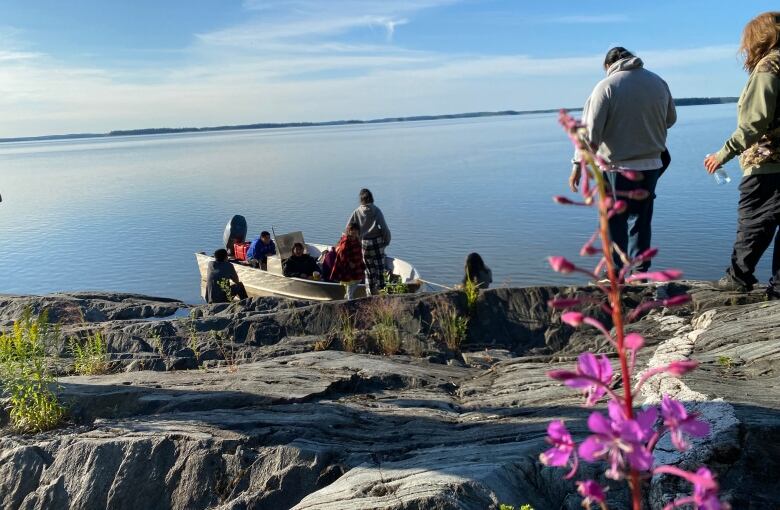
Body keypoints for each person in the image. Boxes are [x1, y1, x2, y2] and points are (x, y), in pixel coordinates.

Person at [570, 47, 677, 273]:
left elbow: (590, 135)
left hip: (615, 168)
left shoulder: (606, 87)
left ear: (608, 66)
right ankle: (640, 273)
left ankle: (615, 274)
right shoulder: (658, 82)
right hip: (652, 165)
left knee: (614, 222)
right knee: (640, 220)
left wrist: (577, 165)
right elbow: (670, 119)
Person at [704, 12, 780, 299]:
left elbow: (756, 121)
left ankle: (738, 277)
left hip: (768, 160)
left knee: (754, 220)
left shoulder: (770, 65)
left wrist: (723, 153)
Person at [347, 188, 391, 295]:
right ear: (372, 198)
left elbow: (348, 228)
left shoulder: (356, 212)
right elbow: (385, 229)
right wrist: (386, 242)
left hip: (364, 244)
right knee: (380, 269)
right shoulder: (376, 210)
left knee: (368, 271)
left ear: (361, 200)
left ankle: (370, 293)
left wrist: (353, 242)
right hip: (377, 242)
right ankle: (381, 292)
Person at [330, 223, 366, 299]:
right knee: (350, 282)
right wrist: (349, 262)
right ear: (349, 231)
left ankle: (348, 295)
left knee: (358, 279)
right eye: (352, 231)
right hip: (348, 266)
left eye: (356, 231)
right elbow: (342, 253)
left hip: (357, 263)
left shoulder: (356, 240)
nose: (354, 233)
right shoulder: (345, 241)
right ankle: (349, 298)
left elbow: (360, 250)